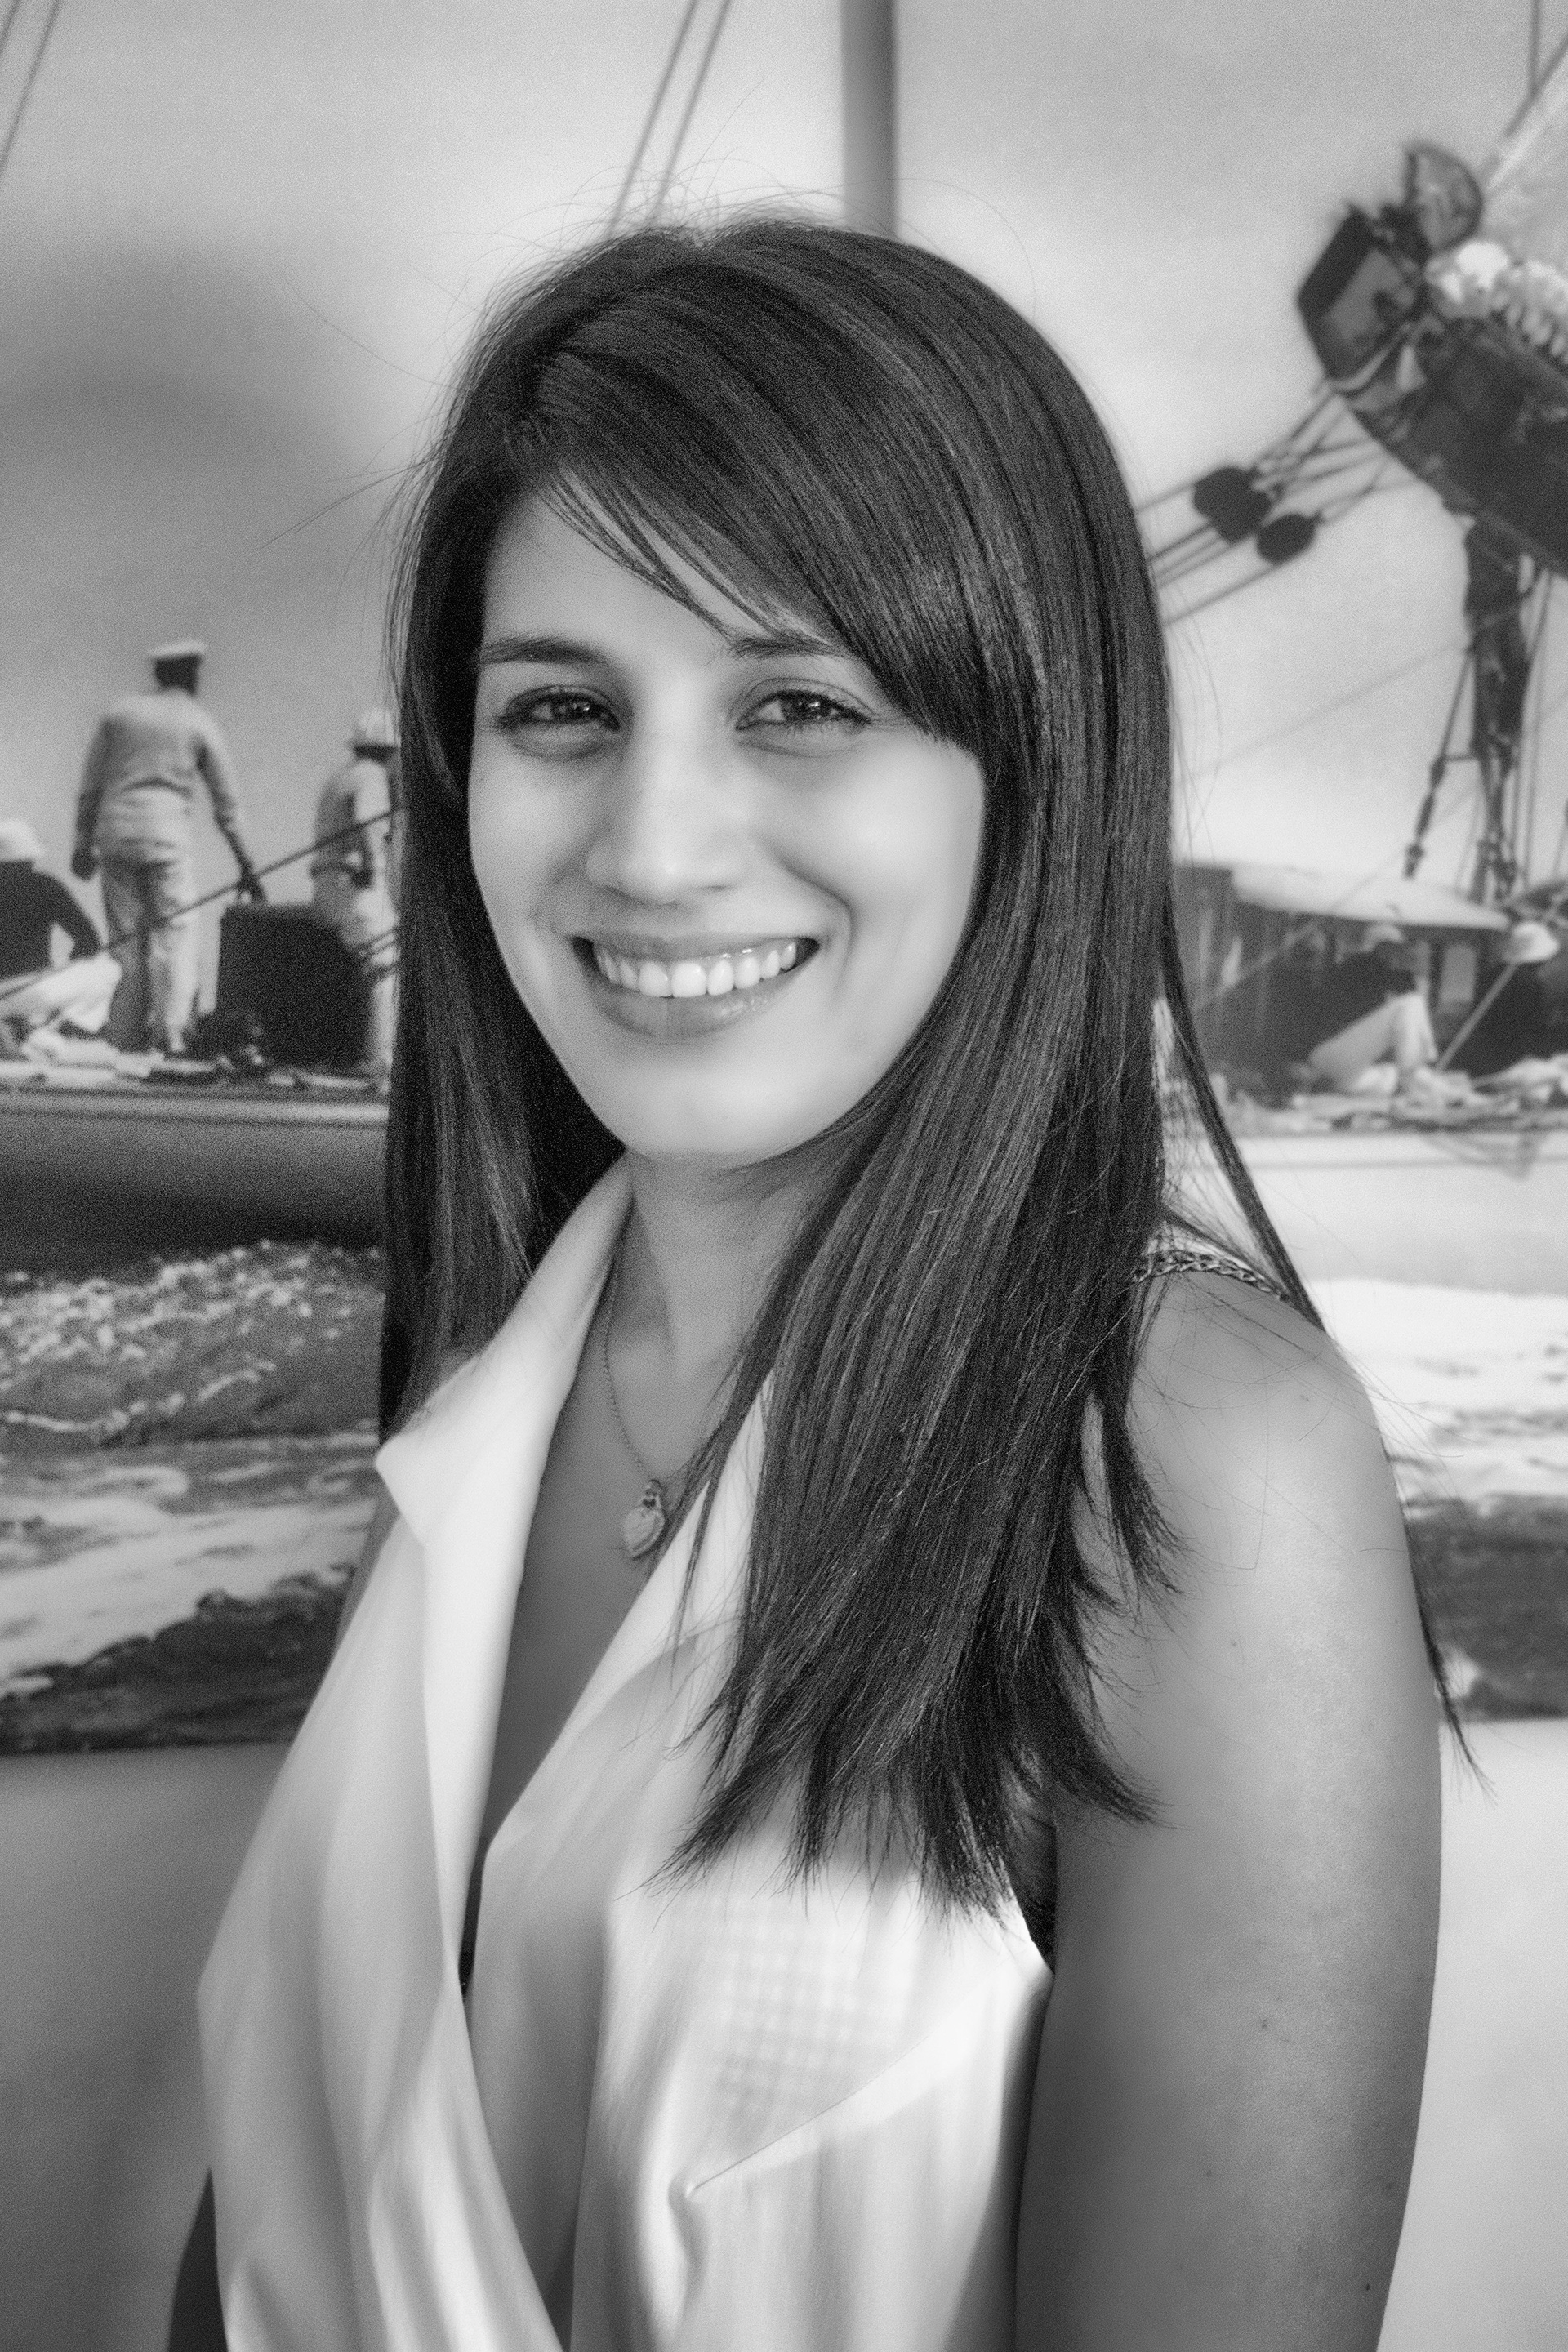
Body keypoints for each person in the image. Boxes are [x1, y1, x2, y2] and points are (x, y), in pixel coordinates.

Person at [175, 223, 1444, 2352]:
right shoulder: (493, 1384)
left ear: (1025, 769)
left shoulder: (1194, 1454)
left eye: (800, 706)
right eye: (563, 709)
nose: (654, 847)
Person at [73, 640, 265, 1053]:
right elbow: (227, 806)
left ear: (158, 674)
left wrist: (81, 842)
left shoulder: (119, 714)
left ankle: (124, 1038)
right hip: (167, 837)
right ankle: (172, 1034)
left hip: (116, 834)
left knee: (125, 941)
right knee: (175, 935)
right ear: (192, 675)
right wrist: (247, 865)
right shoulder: (199, 721)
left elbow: (91, 786)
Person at [309, 708, 401, 1071]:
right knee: (386, 964)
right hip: (353, 882)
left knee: (367, 966)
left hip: (328, 881)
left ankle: (364, 1053)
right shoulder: (372, 776)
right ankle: (381, 1058)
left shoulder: (341, 777)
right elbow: (367, 820)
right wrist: (373, 865)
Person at [0, 815, 119, 1045]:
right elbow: (89, 942)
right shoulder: (45, 886)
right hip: (34, 990)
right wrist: (75, 957)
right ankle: (54, 1027)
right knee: (108, 970)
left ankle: (24, 1028)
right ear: (30, 857)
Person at [1304, 920, 1439, 1090]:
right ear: (1379, 947)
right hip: (1331, 1053)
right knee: (1412, 1003)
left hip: (1344, 1071)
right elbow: (1406, 1006)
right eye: (1392, 948)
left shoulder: (1385, 972)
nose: (1397, 953)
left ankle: (1413, 1077)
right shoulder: (1360, 967)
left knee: (1415, 1079)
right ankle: (1410, 1074)